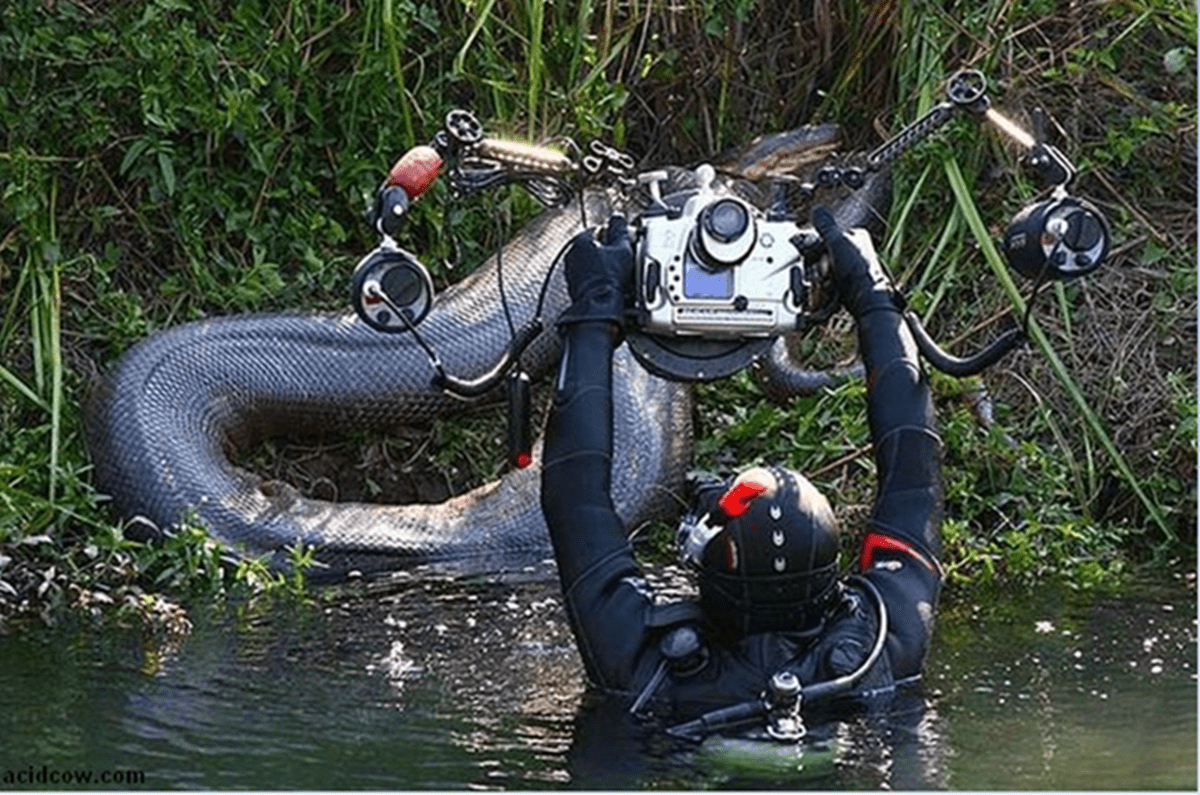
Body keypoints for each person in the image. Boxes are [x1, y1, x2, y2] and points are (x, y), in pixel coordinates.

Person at [540, 205, 945, 741]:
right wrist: (873, 297)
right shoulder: (883, 642)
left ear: (704, 570)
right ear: (833, 568)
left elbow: (573, 491)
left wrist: (594, 310)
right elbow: (914, 468)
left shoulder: (639, 661)